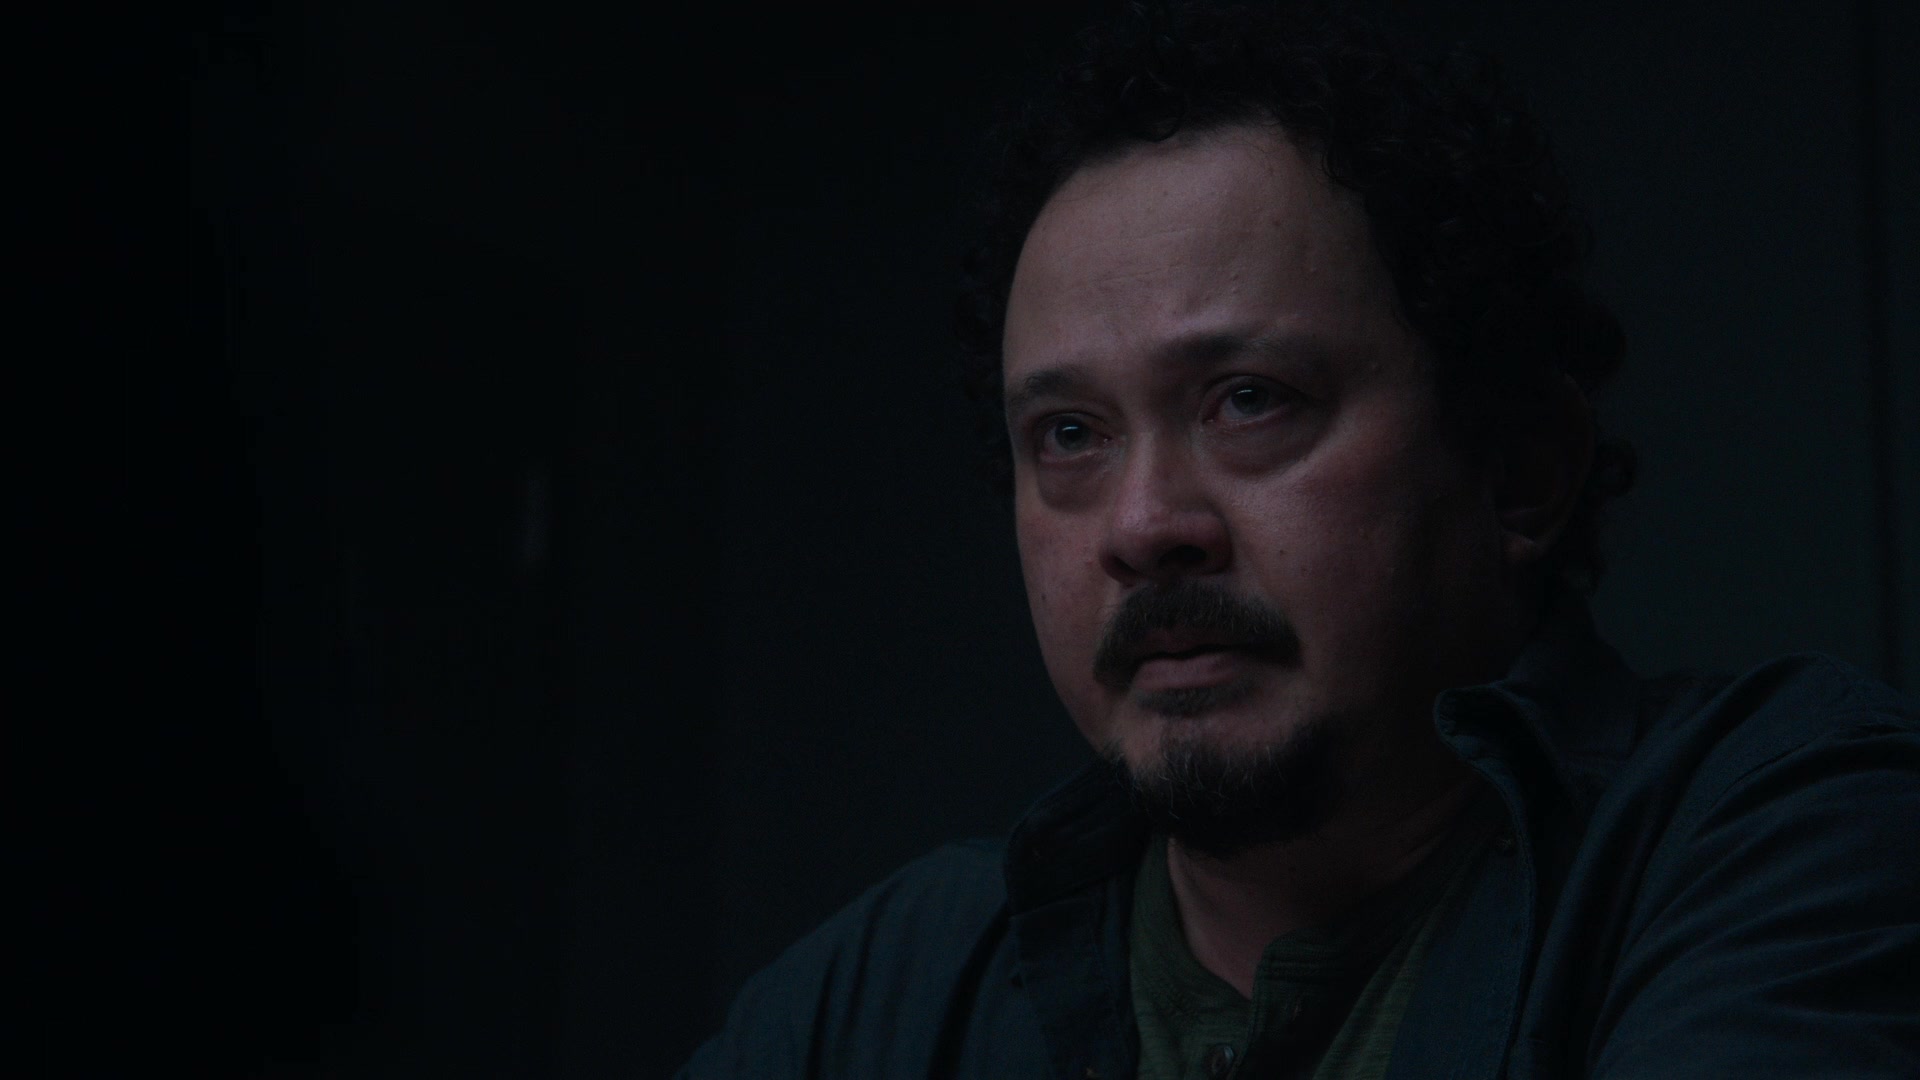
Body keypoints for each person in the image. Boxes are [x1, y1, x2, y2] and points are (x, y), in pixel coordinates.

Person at [677, 4, 1920, 1077]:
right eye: (1069, 435)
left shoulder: (1776, 836)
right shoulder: (883, 994)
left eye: (1249, 401)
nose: (1144, 527)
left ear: (1522, 470)